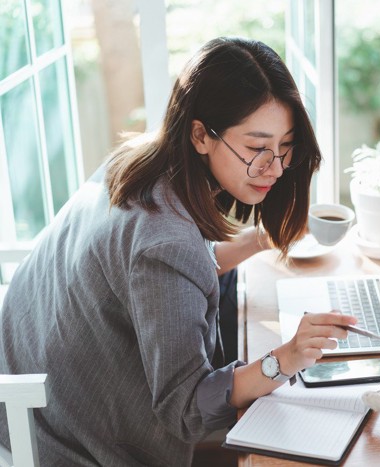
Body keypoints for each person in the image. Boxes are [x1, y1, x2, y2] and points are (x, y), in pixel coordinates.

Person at [0, 36, 357, 466]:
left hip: (32, 388)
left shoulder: (139, 162)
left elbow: (179, 273)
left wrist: (258, 239)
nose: (276, 167)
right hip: (67, 439)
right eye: (255, 148)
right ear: (201, 135)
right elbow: (186, 408)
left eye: (284, 146)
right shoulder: (165, 241)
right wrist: (286, 357)